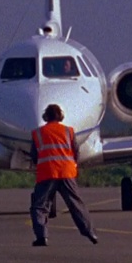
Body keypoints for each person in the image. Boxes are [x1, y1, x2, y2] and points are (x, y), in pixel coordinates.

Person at [29, 103, 97, 247]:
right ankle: (90, 232)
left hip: (47, 172)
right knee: (76, 204)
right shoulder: (69, 131)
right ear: (60, 116)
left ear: (45, 116)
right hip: (67, 172)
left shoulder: (38, 133)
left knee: (39, 206)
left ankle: (42, 236)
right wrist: (72, 165)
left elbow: (34, 155)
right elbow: (76, 152)